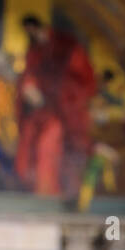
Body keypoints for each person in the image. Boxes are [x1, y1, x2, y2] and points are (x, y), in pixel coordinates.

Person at [14, 12, 97, 198]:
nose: (33, 35)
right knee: (28, 148)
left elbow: (83, 83)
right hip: (43, 112)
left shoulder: (67, 48)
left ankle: (49, 194)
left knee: (48, 149)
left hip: (65, 112)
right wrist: (29, 86)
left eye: (33, 31)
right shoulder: (35, 50)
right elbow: (29, 74)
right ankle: (36, 192)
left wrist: (62, 97)